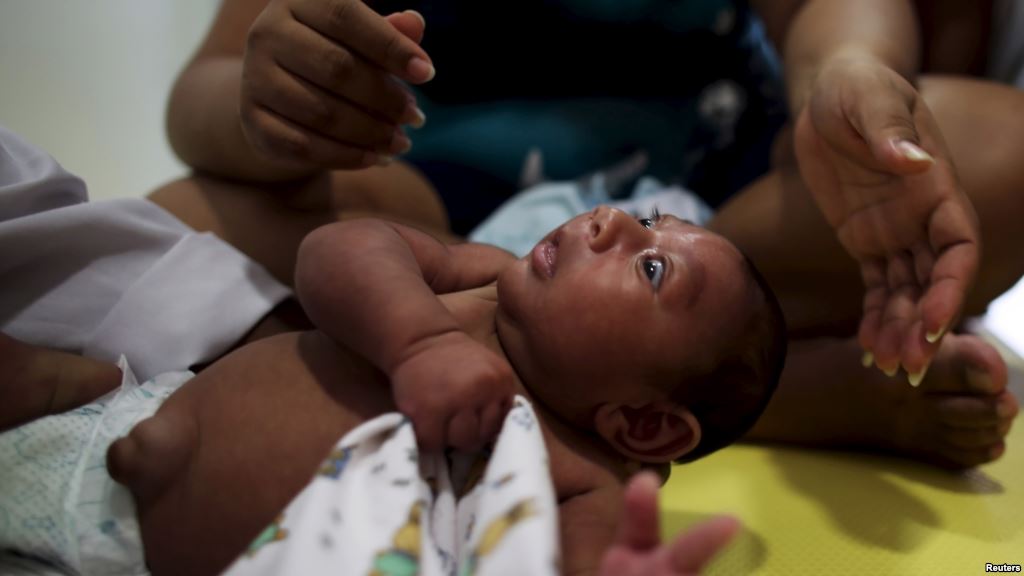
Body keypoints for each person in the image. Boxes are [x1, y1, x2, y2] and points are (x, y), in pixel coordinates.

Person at [164, 0, 1023, 468]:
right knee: (171, 232)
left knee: (1002, 154)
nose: (606, 223)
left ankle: (664, 369)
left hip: (731, 205)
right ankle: (770, 392)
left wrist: (849, 75)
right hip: (409, 196)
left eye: (647, 249)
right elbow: (201, 97)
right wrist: (269, 104)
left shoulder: (680, 228)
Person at [0, 128, 778, 575]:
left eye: (651, 269)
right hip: (90, 436)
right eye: (644, 217)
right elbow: (339, 249)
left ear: (645, 427)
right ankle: (65, 382)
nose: (609, 220)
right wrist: (417, 341)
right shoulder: (479, 282)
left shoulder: (589, 483)